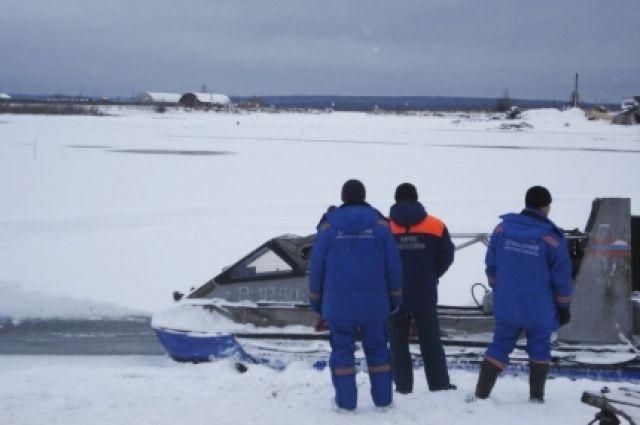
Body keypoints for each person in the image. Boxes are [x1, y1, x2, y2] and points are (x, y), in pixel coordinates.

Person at [308, 179, 403, 412]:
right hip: (375, 304)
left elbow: (316, 268)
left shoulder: (328, 228)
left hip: (338, 305)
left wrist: (316, 302)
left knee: (341, 352)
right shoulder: (381, 226)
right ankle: (383, 401)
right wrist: (395, 299)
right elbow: (394, 267)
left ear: (343, 198)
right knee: (378, 350)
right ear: (363, 196)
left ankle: (346, 403)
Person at [474, 186, 573, 402]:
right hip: (540, 307)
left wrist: (498, 289)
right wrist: (564, 306)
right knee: (539, 348)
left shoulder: (502, 229)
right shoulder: (552, 239)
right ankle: (536, 398)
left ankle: (481, 394)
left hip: (508, 303)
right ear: (546, 207)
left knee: (500, 345)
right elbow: (562, 278)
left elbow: (491, 265)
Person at [387, 183, 456, 393]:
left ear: (396, 200)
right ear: (417, 198)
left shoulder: (385, 226)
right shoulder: (436, 225)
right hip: (425, 291)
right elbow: (447, 256)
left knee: (397, 341)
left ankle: (403, 386)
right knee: (431, 340)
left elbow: (377, 259)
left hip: (394, 293)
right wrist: (431, 274)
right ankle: (439, 384)